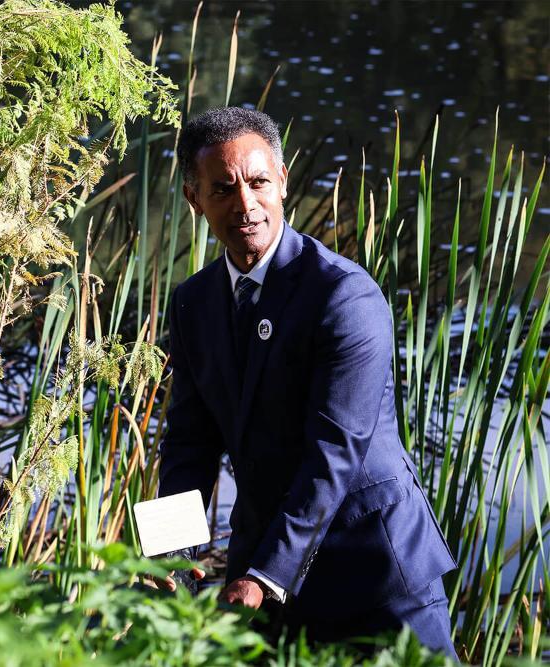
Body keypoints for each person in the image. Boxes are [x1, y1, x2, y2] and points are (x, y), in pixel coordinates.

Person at [157, 107, 457, 656]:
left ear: (283, 181)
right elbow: (187, 442)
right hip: (269, 570)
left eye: (257, 182)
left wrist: (263, 576)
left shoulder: (344, 296)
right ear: (193, 199)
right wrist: (168, 555)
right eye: (222, 189)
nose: (245, 205)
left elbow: (332, 454)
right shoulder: (192, 303)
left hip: (375, 573)